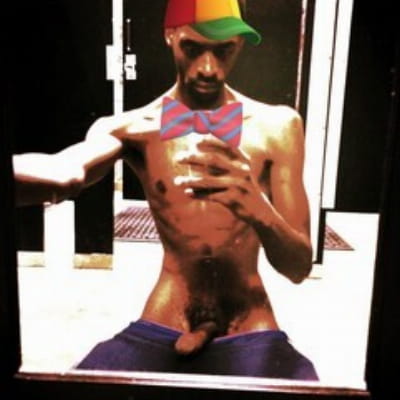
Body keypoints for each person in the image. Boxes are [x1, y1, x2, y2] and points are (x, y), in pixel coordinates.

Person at [13, 0, 318, 380]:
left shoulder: (278, 126)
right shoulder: (130, 127)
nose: (208, 68)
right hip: (168, 312)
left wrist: (258, 209)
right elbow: (64, 172)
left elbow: (298, 267)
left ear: (240, 43)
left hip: (249, 317)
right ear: (169, 36)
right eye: (193, 48)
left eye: (223, 50)